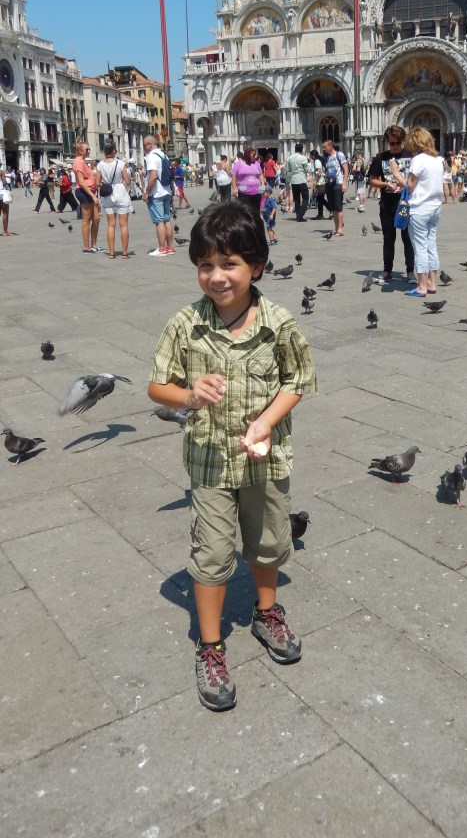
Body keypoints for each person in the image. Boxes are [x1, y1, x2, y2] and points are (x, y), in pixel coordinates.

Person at [148, 201, 317, 712]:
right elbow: (157, 387)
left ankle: (267, 611)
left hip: (266, 458)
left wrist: (266, 421)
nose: (217, 277)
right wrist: (189, 394)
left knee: (268, 540)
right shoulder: (184, 325)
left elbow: (299, 381)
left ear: (257, 266)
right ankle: (211, 644)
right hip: (210, 463)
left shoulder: (280, 323)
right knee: (214, 553)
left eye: (229, 264)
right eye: (206, 265)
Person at [389, 127, 444, 297]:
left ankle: (421, 287)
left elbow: (410, 186)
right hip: (435, 207)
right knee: (431, 244)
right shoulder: (438, 159)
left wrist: (396, 172)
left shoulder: (418, 160)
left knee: (419, 247)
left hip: (420, 209)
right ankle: (431, 282)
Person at [368, 126, 416, 284]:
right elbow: (372, 179)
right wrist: (386, 184)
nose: (395, 146)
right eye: (392, 143)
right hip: (387, 204)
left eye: (398, 143)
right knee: (388, 238)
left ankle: (410, 271)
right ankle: (387, 270)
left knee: (407, 238)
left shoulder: (411, 156)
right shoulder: (381, 158)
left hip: (406, 204)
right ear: (388, 141)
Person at [96, 141, 132, 259]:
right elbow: (127, 181)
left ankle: (111, 252)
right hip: (120, 193)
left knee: (111, 225)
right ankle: (125, 253)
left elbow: (97, 183)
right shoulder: (120, 163)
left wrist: (105, 183)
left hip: (108, 194)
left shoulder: (100, 165)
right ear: (114, 151)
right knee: (124, 225)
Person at [142, 135, 174, 257]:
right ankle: (170, 247)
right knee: (167, 219)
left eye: (145, 145)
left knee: (159, 221)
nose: (144, 148)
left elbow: (153, 176)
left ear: (150, 144)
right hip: (166, 191)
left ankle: (161, 249)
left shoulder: (151, 157)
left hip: (156, 193)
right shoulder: (163, 155)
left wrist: (147, 192)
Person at [73, 141, 101, 252]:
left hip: (91, 192)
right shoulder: (79, 162)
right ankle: (86, 247)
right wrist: (92, 195)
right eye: (87, 149)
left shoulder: (84, 162)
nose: (88, 151)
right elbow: (81, 181)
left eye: (89, 149)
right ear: (80, 151)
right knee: (87, 220)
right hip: (84, 192)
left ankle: (94, 245)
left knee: (96, 219)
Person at [322, 139, 348, 236]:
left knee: (338, 207)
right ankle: (336, 228)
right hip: (329, 183)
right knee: (332, 208)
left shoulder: (339, 155)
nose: (324, 149)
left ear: (330, 146)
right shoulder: (327, 158)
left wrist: (344, 183)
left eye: (325, 147)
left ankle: (340, 229)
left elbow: (346, 169)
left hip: (338, 183)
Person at [231, 148, 265, 213]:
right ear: (247, 155)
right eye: (253, 155)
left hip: (257, 191)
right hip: (244, 192)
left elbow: (260, 174)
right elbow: (234, 176)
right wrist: (234, 188)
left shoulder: (256, 163)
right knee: (245, 211)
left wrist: (263, 184)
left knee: (256, 210)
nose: (255, 156)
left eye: (255, 155)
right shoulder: (238, 164)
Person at [285, 143, 309, 222]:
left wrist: (288, 181)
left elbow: (288, 171)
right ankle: (300, 215)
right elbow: (307, 169)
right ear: (302, 150)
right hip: (302, 180)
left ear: (295, 149)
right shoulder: (303, 158)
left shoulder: (289, 158)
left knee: (297, 199)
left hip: (294, 181)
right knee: (305, 198)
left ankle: (298, 215)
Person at [311, 149, 327, 219]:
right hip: (322, 181)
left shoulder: (317, 161)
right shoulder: (319, 160)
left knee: (320, 198)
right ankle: (321, 214)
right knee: (320, 198)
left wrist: (315, 180)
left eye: (310, 155)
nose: (310, 156)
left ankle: (329, 209)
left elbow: (319, 171)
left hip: (320, 182)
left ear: (313, 155)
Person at [0, 164, 12, 236]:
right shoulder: (1, 172)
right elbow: (4, 182)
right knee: (5, 213)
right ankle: (5, 231)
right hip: (1, 193)